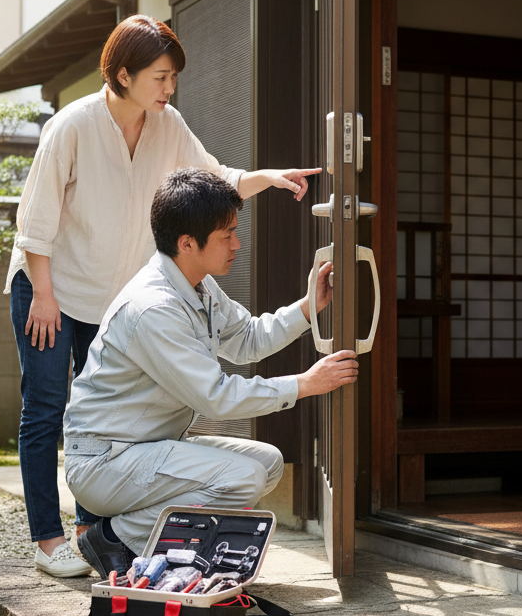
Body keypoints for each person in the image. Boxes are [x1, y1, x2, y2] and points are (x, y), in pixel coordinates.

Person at [8, 15, 322, 576]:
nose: (169, 87)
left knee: (107, 411)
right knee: (48, 408)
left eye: (172, 77)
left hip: (110, 293)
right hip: (50, 286)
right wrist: (43, 294)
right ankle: (48, 540)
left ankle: (95, 534)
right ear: (122, 74)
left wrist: (268, 178)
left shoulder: (166, 123)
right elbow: (36, 222)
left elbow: (215, 178)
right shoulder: (73, 125)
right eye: (159, 76)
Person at [63, 167, 359, 577]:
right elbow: (214, 396)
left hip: (143, 448)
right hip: (105, 462)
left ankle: (159, 546)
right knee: (242, 478)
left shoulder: (197, 284)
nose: (237, 244)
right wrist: (305, 385)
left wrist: (309, 307)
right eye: (227, 235)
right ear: (187, 243)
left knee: (268, 464)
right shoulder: (155, 308)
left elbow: (248, 338)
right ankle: (113, 537)